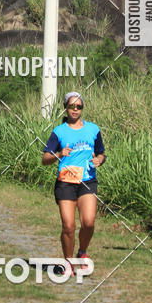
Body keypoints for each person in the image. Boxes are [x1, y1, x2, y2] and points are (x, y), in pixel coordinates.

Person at [42, 92, 105, 277]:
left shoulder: (93, 129)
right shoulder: (59, 131)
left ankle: (82, 251)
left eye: (79, 107)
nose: (75, 110)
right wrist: (59, 154)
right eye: (72, 106)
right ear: (66, 108)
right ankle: (68, 261)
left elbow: (101, 152)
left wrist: (100, 160)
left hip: (87, 181)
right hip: (66, 183)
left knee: (88, 222)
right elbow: (45, 159)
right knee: (68, 226)